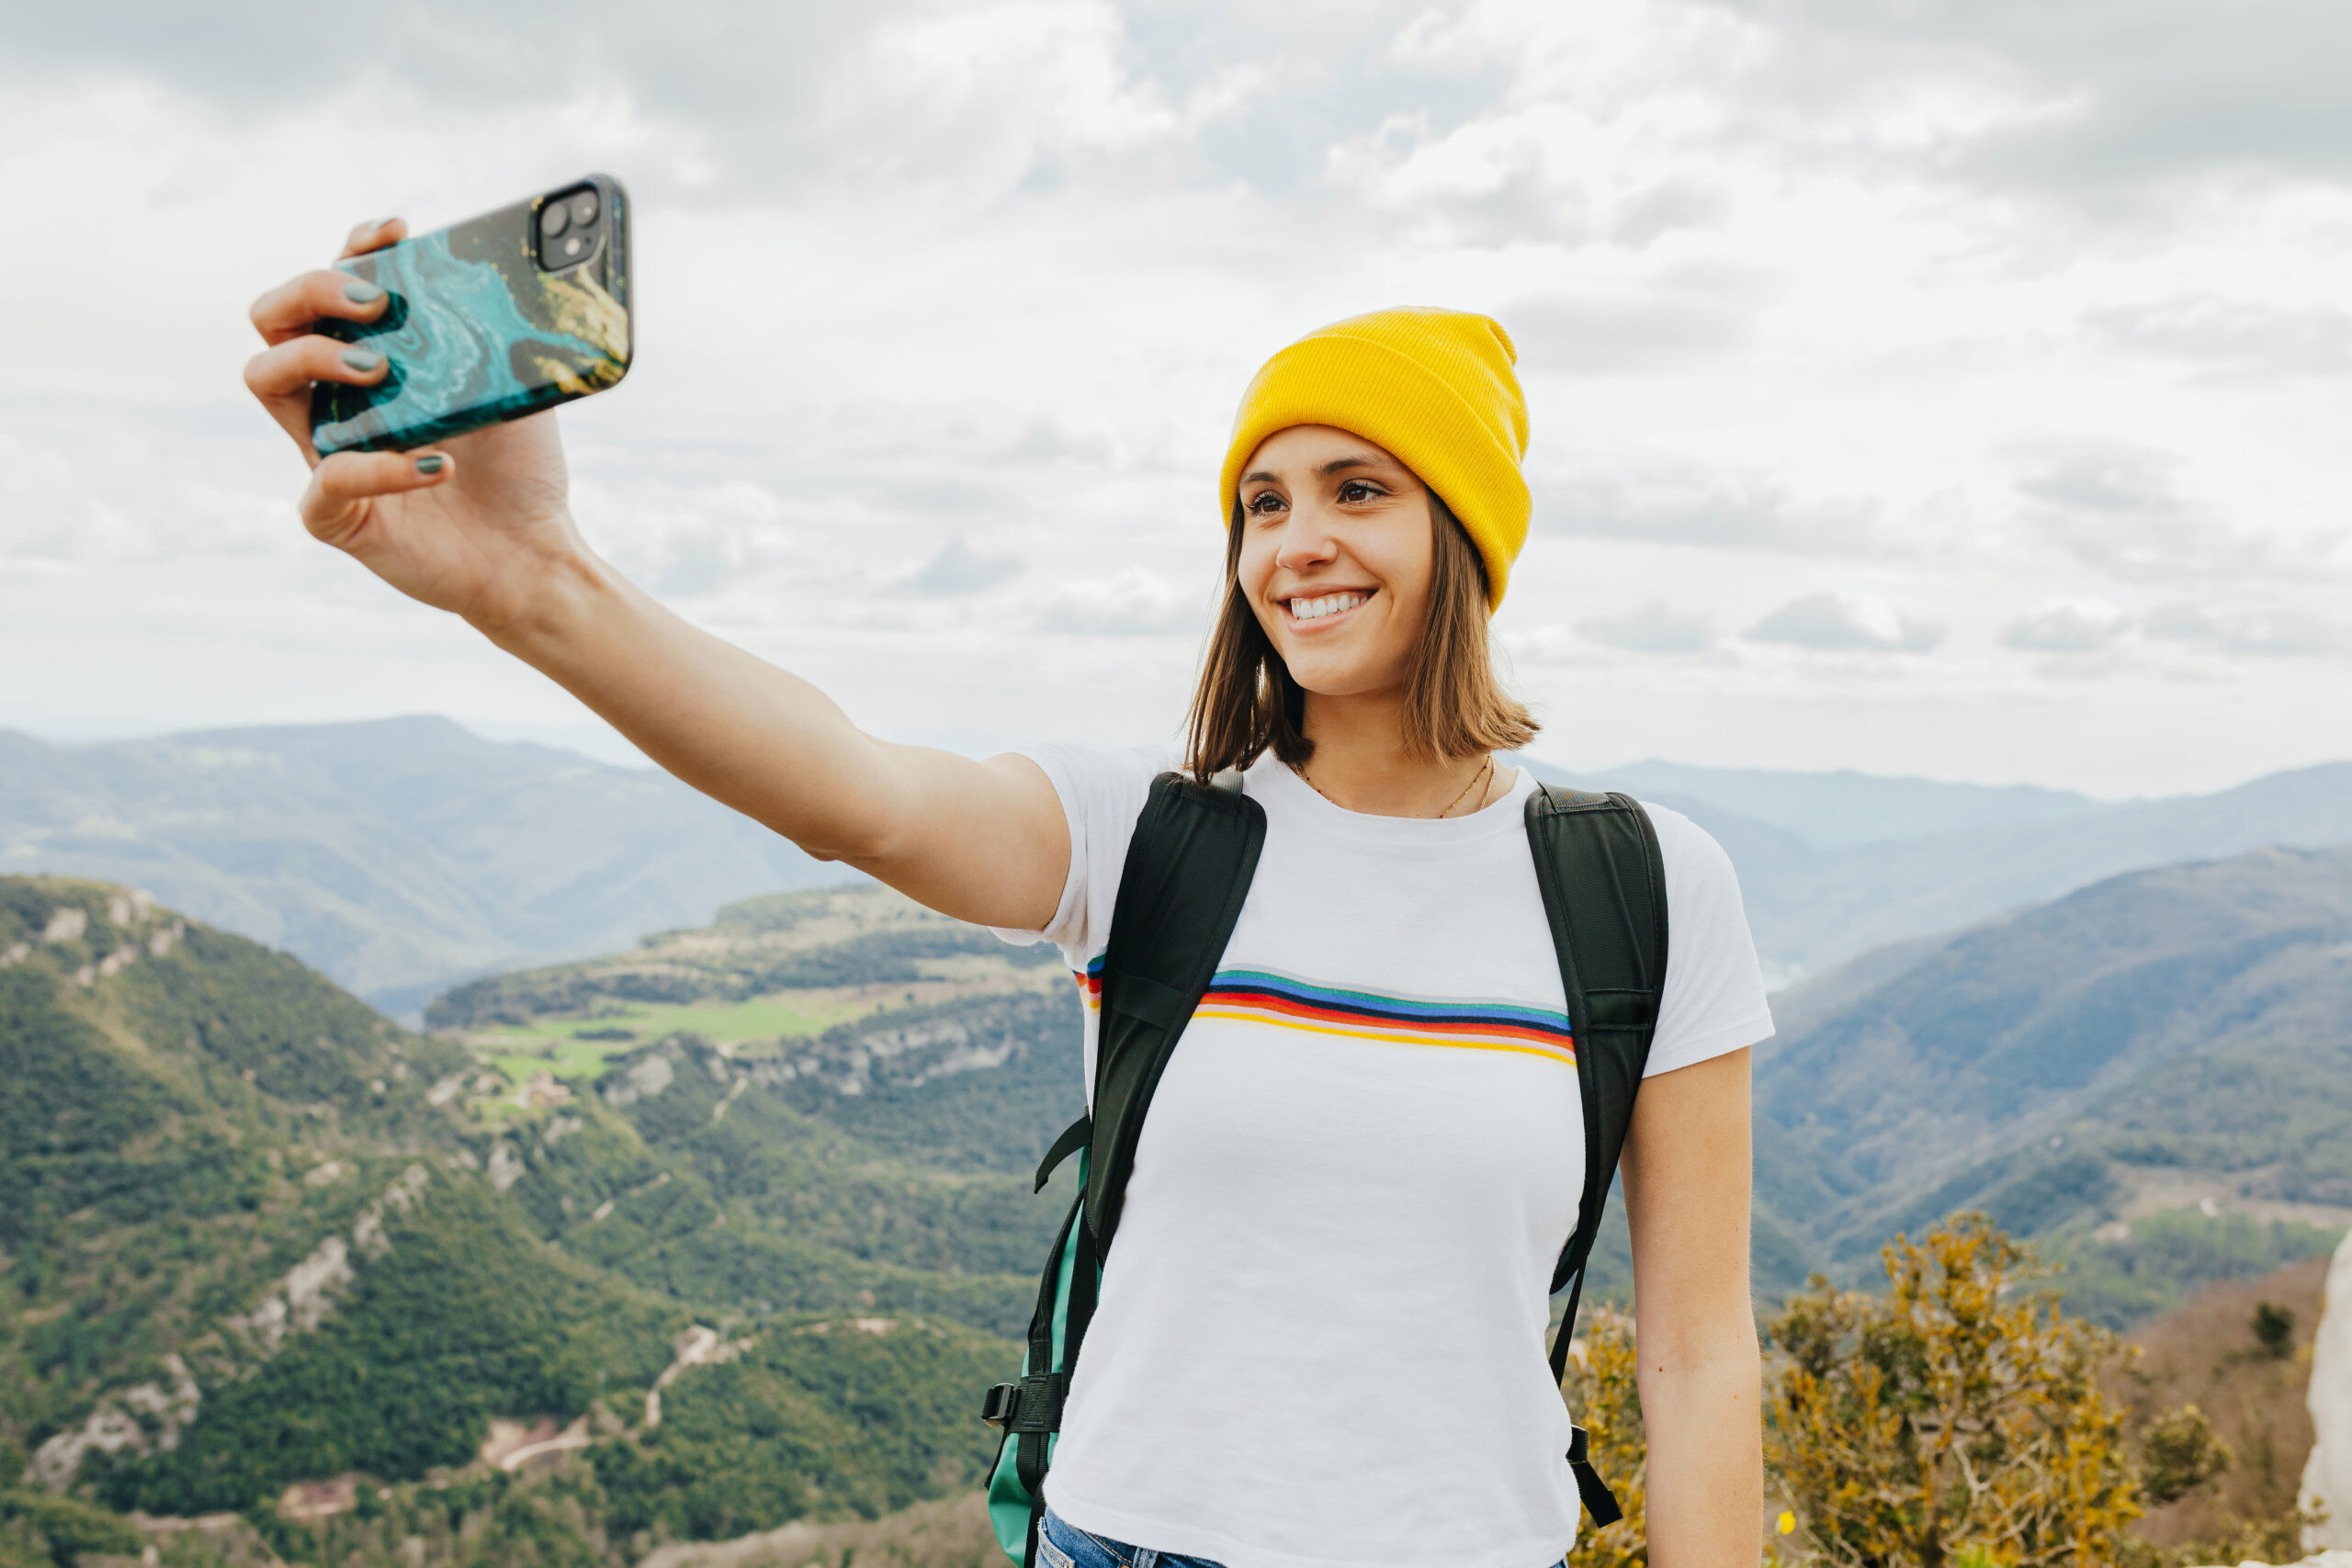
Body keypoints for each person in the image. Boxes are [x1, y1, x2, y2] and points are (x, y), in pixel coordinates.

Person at [244, 220, 1771, 1568]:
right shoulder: (1149, 839)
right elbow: (852, 792)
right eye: (1262, 502)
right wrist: (536, 578)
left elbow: (1699, 1356)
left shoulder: (1643, 888)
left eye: (1356, 490)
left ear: (1469, 528)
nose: (1297, 543)